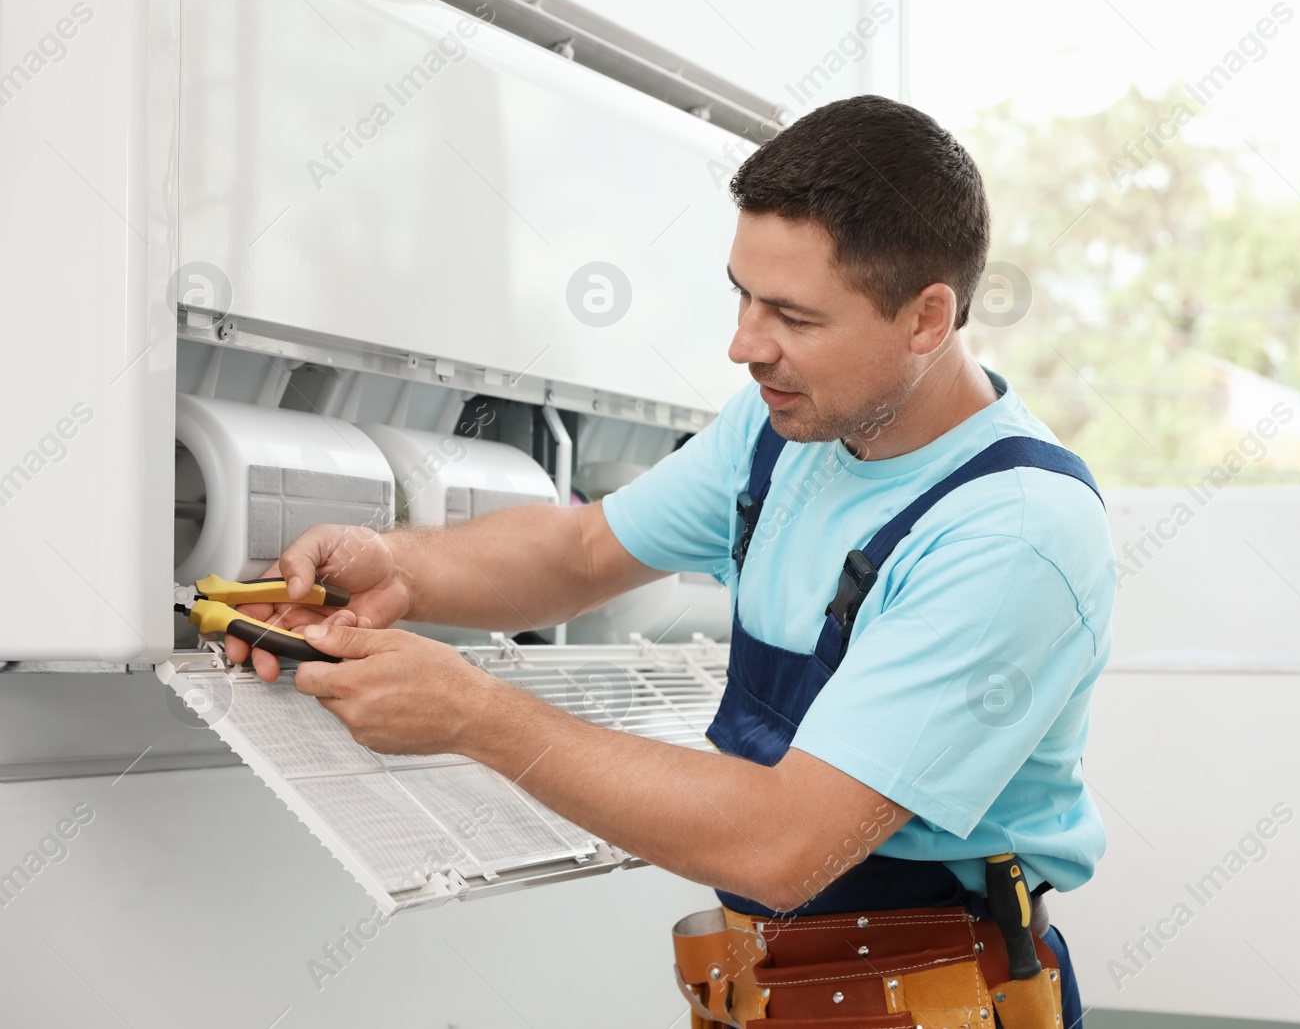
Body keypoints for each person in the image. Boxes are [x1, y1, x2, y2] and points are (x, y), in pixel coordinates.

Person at [225, 94, 1113, 1028]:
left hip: (938, 999)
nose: (744, 344)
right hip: (764, 991)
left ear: (927, 318)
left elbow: (786, 841)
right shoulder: (786, 433)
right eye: (742, 293)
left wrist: (473, 714)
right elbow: (581, 548)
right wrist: (399, 568)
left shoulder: (1014, 531)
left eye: (794, 316)